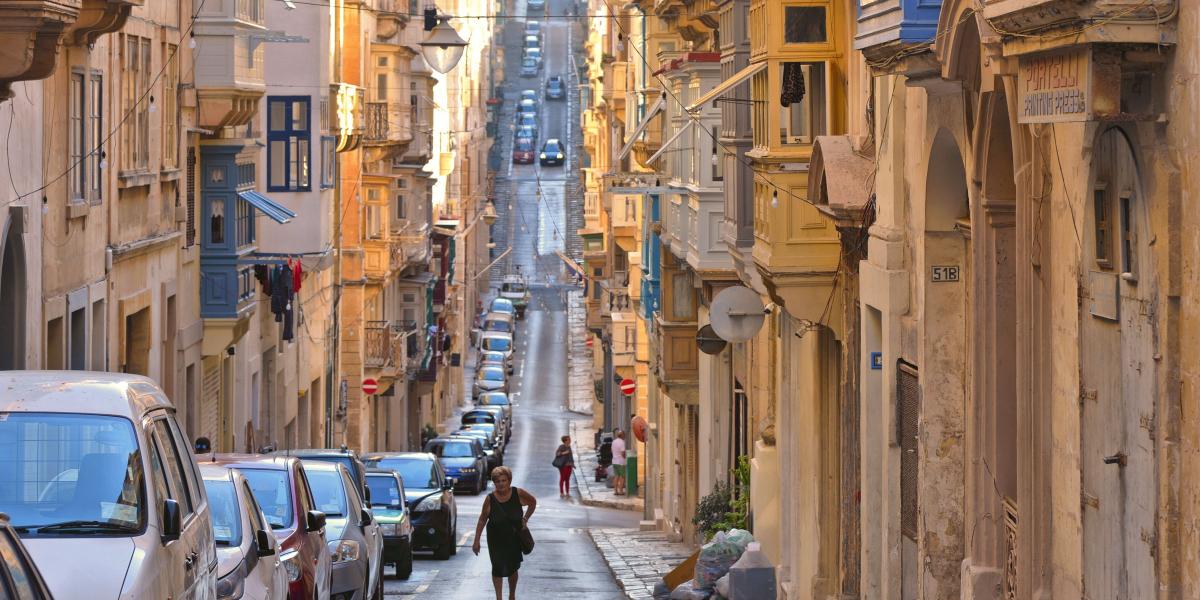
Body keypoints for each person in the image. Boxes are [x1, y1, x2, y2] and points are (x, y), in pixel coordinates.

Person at [473, 466, 537, 600]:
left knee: (513, 567)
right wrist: (476, 541)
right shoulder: (490, 499)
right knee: (497, 567)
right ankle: (499, 598)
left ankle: (512, 595)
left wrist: (525, 518)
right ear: (494, 483)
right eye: (497, 481)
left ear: (509, 480)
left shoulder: (518, 493)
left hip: (514, 538)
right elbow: (482, 519)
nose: (501, 484)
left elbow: (532, 502)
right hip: (495, 539)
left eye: (503, 480)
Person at [611, 430, 627, 495]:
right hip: (620, 462)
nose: (625, 436)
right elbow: (623, 453)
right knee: (622, 477)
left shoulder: (614, 441)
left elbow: (611, 450)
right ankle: (620, 491)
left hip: (614, 461)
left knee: (616, 476)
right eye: (624, 435)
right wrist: (625, 457)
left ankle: (615, 491)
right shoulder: (622, 442)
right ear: (622, 435)